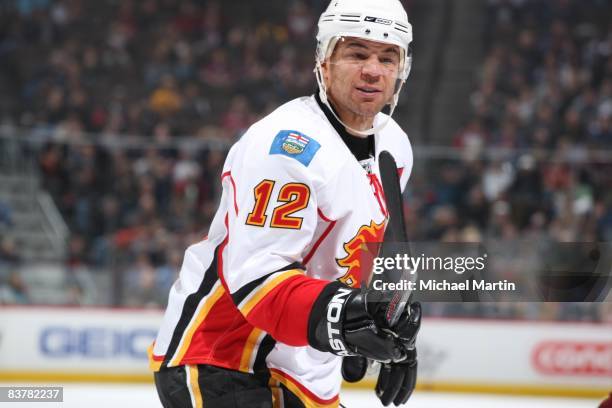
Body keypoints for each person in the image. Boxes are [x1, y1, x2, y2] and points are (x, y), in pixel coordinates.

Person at [150, 0, 421, 406]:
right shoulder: (287, 147)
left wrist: (391, 327)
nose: (372, 69)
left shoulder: (394, 146)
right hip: (223, 358)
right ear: (324, 60)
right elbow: (258, 281)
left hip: (305, 369)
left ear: (403, 68)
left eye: (387, 57)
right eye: (356, 53)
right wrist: (344, 319)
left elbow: (365, 253)